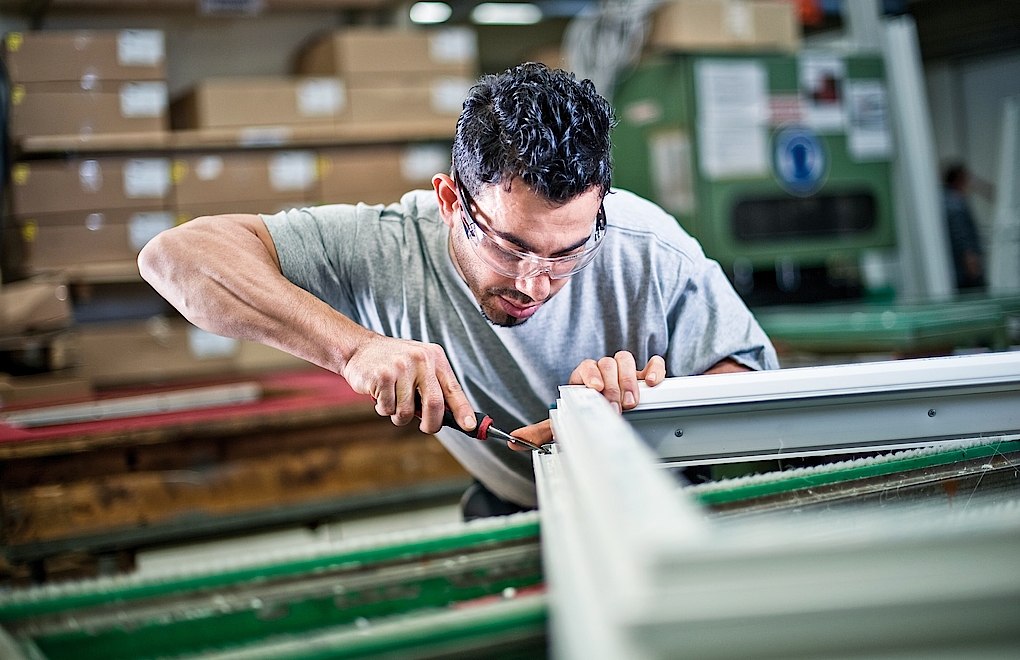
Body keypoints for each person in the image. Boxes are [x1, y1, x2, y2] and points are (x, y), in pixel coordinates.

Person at [138, 63, 778, 517]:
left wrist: (649, 409)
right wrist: (355, 349)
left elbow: (753, 392)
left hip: (664, 504)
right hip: (520, 508)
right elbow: (175, 257)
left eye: (568, 253)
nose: (535, 283)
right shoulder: (388, 246)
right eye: (509, 246)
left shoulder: (649, 248)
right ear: (450, 202)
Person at [943, 163, 986, 291]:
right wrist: (971, 261)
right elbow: (961, 236)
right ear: (959, 180)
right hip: (964, 272)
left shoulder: (945, 200)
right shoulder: (955, 204)